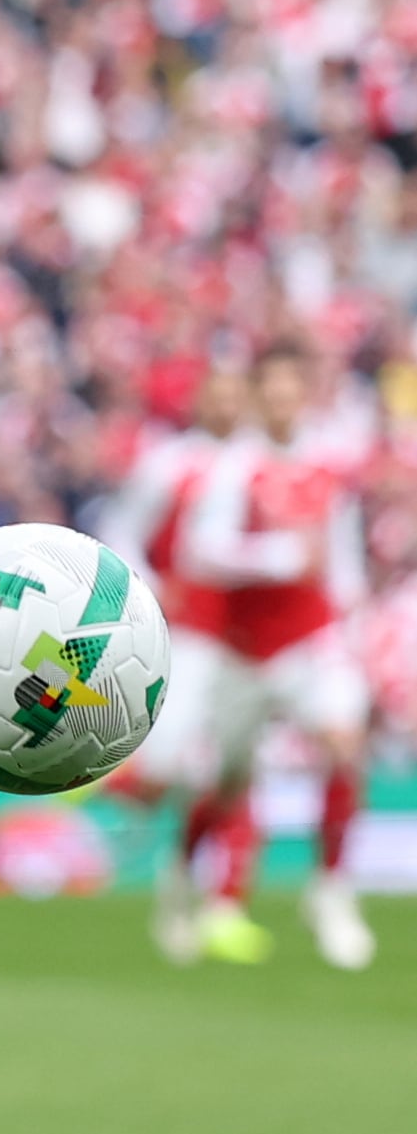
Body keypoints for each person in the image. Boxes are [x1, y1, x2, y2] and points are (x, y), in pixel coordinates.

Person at [172, 338, 374, 970]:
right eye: (272, 390)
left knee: (344, 749)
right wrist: (278, 557)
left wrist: (350, 609)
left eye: (293, 389)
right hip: (244, 649)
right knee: (228, 783)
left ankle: (331, 890)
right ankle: (180, 879)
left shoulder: (329, 463)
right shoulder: (233, 466)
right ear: (258, 397)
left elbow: (339, 552)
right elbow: (200, 551)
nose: (284, 401)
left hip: (313, 637)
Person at [98, 359, 255, 962]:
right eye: (216, 394)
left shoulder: (258, 463)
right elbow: (123, 529)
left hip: (252, 642)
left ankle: (220, 902)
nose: (226, 405)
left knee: (237, 771)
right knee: (171, 760)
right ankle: (114, 807)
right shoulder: (170, 463)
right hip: (189, 632)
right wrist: (156, 591)